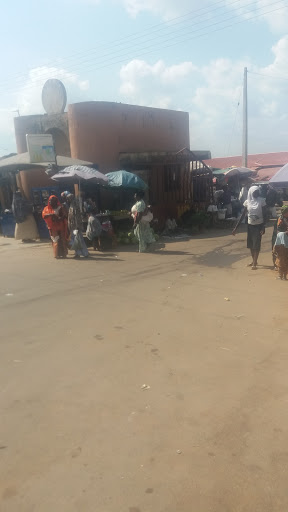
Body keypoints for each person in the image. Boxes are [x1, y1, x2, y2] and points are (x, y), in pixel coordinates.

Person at [232, 185, 266, 270]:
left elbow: (265, 215)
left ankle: (254, 263)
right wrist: (236, 228)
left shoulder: (262, 201)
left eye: (258, 192)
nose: (257, 193)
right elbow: (243, 216)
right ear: (251, 193)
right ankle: (254, 260)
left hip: (259, 226)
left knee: (256, 244)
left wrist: (263, 227)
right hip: (250, 226)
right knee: (250, 244)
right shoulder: (247, 202)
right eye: (255, 192)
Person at [65, 193, 89, 258]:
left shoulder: (75, 206)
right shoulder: (71, 205)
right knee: (76, 240)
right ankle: (79, 253)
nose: (67, 200)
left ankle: (83, 253)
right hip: (73, 226)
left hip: (76, 226)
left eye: (68, 198)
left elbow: (77, 217)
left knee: (79, 240)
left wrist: (77, 227)